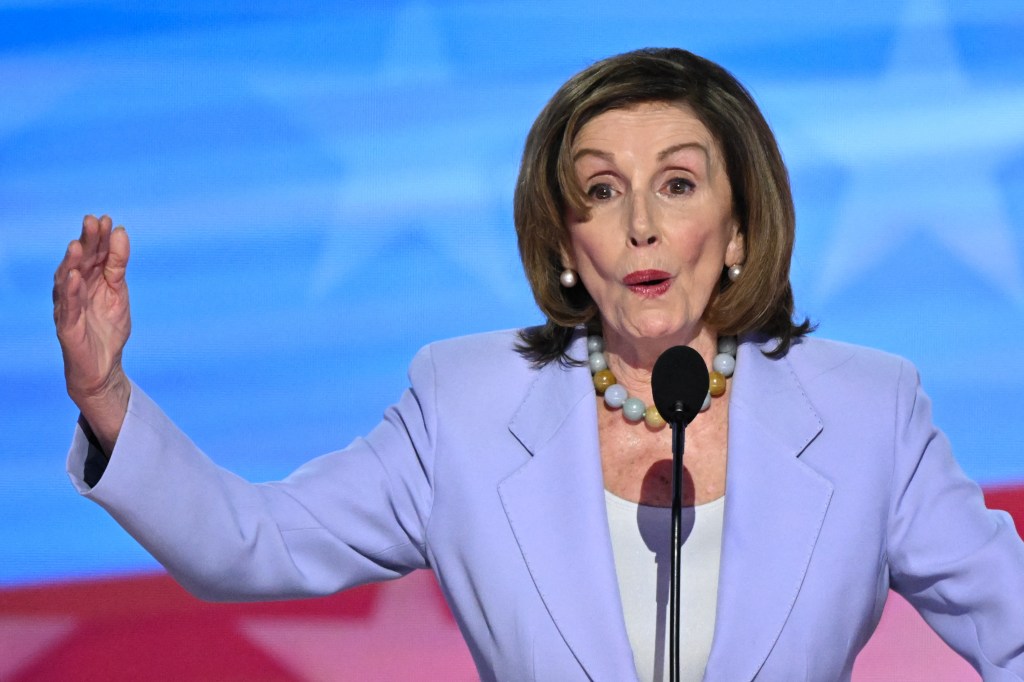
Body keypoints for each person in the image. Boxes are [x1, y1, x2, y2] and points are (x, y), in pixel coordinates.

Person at [54, 48, 1024, 681]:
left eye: (677, 184)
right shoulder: (465, 405)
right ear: (565, 241)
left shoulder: (865, 410)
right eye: (601, 191)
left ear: (736, 229)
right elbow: (249, 541)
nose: (640, 223)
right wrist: (107, 398)